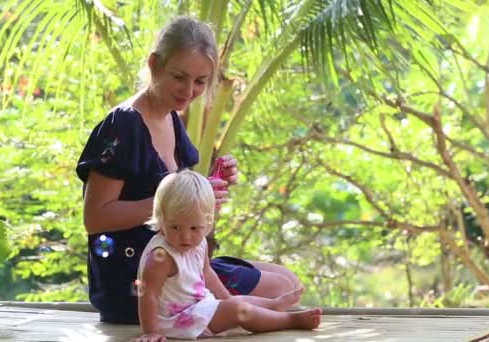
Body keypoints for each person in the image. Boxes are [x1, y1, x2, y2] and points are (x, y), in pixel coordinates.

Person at [76, 16, 301, 324]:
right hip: (141, 286)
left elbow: (182, 206)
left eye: (200, 82)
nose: (188, 91)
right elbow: (95, 218)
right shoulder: (122, 125)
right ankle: (223, 313)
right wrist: (171, 203)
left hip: (181, 262)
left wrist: (211, 186)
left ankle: (225, 311)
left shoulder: (170, 118)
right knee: (279, 289)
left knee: (288, 279)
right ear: (154, 64)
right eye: (178, 77)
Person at [135, 170, 321, 341]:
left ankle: (274, 305)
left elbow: (207, 273)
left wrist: (226, 299)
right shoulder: (161, 257)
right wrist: (151, 332)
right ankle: (289, 320)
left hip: (197, 307)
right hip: (178, 322)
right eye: (175, 227)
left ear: (207, 221)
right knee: (236, 310)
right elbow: (148, 294)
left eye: (194, 228)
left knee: (234, 301)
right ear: (161, 219)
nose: (185, 236)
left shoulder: (199, 242)